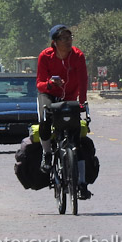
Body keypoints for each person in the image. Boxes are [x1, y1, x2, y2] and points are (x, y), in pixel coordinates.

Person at [36, 24, 92, 200]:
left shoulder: (78, 56)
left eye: (70, 38)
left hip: (69, 97)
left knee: (77, 139)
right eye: (63, 39)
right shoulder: (45, 56)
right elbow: (39, 83)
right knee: (45, 121)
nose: (68, 42)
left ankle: (82, 184)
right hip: (49, 95)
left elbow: (83, 80)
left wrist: (82, 102)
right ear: (55, 42)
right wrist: (51, 84)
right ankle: (46, 154)